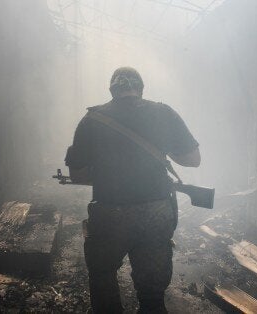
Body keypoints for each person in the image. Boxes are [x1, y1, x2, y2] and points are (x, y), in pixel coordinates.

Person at [64, 67, 201, 313]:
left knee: (103, 275)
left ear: (112, 89)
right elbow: (192, 159)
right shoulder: (164, 113)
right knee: (152, 292)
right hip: (156, 210)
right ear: (140, 88)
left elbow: (78, 174)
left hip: (110, 211)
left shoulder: (91, 120)